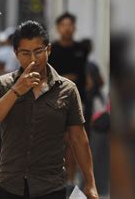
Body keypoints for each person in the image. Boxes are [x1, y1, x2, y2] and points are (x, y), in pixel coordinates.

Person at [0, 21, 98, 199]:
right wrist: (16, 91)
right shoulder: (2, 85)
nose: (33, 59)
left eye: (38, 51)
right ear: (16, 54)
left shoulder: (67, 89)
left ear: (48, 49)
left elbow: (79, 139)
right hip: (10, 186)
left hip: (50, 188)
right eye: (25, 53)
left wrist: (90, 184)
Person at [49, 12, 89, 185]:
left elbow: (86, 73)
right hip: (56, 101)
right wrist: (65, 78)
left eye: (70, 24)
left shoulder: (81, 49)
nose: (67, 28)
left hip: (79, 101)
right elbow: (47, 76)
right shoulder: (52, 50)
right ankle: (57, 179)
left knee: (75, 142)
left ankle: (71, 180)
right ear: (58, 28)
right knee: (58, 143)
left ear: (74, 27)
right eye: (63, 25)